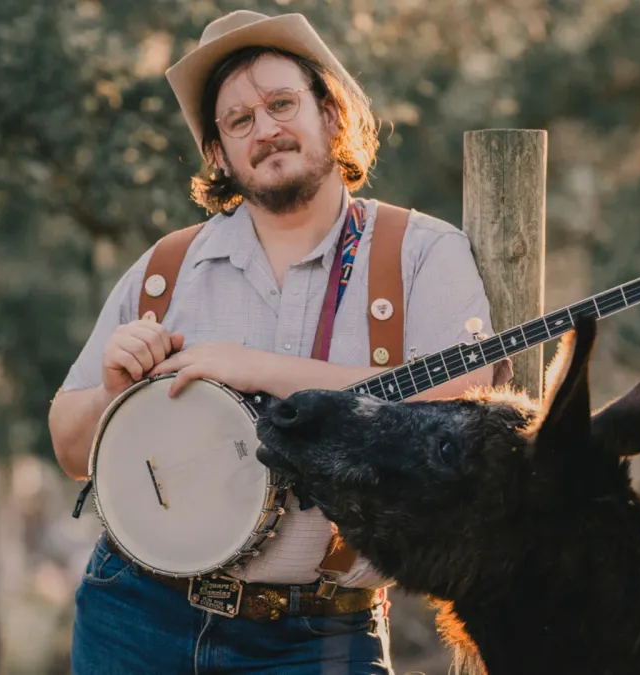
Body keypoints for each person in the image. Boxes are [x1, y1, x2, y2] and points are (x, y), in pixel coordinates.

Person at [48, 9, 508, 675]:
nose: (265, 129)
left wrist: (258, 368)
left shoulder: (420, 253)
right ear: (218, 154)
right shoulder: (167, 269)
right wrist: (114, 401)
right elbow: (70, 449)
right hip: (137, 618)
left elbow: (466, 407)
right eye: (239, 121)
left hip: (319, 636)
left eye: (282, 104)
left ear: (330, 113)